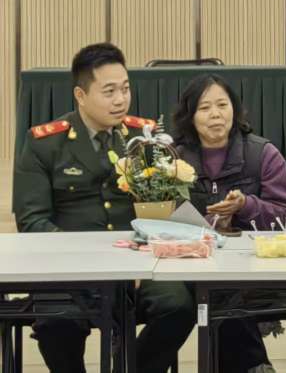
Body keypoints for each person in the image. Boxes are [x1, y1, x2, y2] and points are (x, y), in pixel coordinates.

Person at [13, 42, 195, 373]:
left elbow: (165, 208)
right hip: (67, 268)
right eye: (109, 91)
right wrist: (88, 264)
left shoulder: (144, 138)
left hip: (137, 265)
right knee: (56, 323)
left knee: (179, 307)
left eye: (125, 89)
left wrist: (143, 258)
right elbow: (33, 221)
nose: (120, 99)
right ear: (80, 95)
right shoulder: (45, 143)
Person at [172, 73, 286, 373]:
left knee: (224, 290)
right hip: (189, 267)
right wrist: (209, 223)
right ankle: (256, 365)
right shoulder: (174, 159)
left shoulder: (262, 154)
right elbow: (159, 217)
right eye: (205, 108)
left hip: (252, 267)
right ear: (190, 116)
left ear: (235, 109)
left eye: (222, 105)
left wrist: (247, 206)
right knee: (212, 292)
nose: (216, 114)